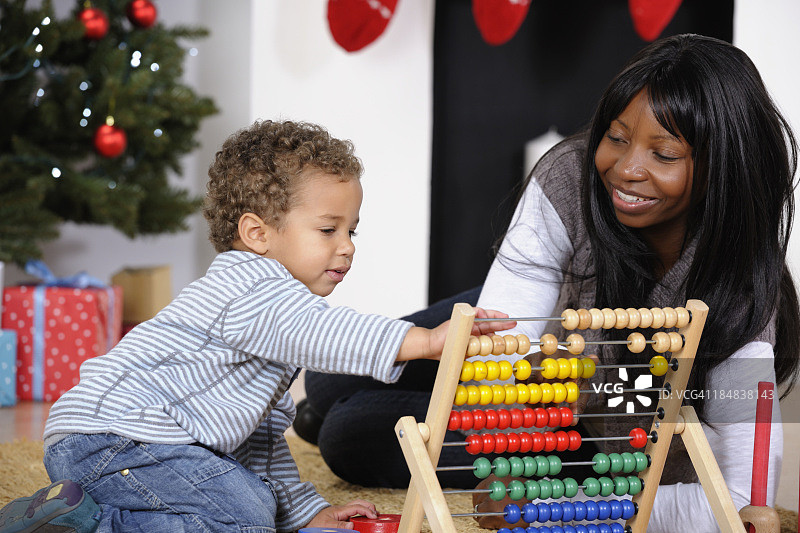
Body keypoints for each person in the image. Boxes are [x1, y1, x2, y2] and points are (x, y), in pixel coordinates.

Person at [300, 34, 800, 532]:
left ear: (724, 167)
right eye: (617, 137)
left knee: (348, 435)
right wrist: (527, 387)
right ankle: (318, 410)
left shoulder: (742, 297)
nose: (626, 170)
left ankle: (325, 420)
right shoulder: (571, 175)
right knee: (327, 380)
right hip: (538, 332)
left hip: (594, 441)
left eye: (664, 154)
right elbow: (503, 350)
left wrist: (553, 504)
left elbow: (741, 502)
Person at [0, 120, 513, 533]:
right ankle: (87, 524)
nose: (348, 246)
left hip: (130, 447)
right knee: (239, 517)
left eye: (352, 230)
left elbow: (261, 440)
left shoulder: (269, 315)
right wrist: (422, 340)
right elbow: (322, 333)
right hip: (115, 440)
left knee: (248, 498)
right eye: (328, 229)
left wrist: (305, 513)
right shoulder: (253, 288)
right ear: (257, 233)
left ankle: (80, 509)